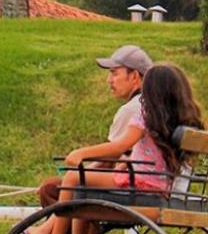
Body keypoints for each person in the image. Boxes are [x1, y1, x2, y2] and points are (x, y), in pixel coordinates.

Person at [25, 60, 205, 234]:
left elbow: (120, 146)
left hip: (139, 184)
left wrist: (81, 153)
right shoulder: (177, 120)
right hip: (159, 185)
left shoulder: (145, 116)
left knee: (73, 178)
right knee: (83, 192)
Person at [33, 45, 151, 215]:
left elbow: (109, 158)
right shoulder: (150, 104)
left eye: (114, 73)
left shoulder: (132, 110)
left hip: (132, 187)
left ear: (134, 76)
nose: (109, 80)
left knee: (50, 188)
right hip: (147, 181)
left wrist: (72, 177)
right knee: (60, 185)